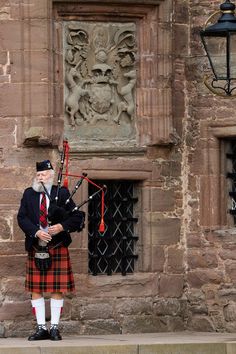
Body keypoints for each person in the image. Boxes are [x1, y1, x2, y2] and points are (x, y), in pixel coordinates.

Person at [17, 160, 84, 341]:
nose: (39, 177)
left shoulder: (60, 193)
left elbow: (78, 216)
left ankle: (54, 328)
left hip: (56, 246)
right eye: (37, 175)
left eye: (43, 174)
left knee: (57, 288)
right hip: (36, 245)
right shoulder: (29, 194)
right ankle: (41, 328)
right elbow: (21, 217)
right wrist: (36, 231)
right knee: (36, 289)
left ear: (51, 176)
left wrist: (62, 226)